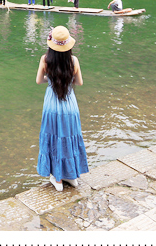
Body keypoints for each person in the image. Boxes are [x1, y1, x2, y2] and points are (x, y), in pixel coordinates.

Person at [35, 26, 89, 191]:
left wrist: (52, 79)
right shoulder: (74, 61)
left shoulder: (45, 59)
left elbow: (39, 80)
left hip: (52, 105)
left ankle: (57, 179)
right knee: (68, 137)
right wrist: (65, 79)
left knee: (54, 137)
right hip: (69, 105)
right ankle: (71, 176)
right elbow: (79, 82)